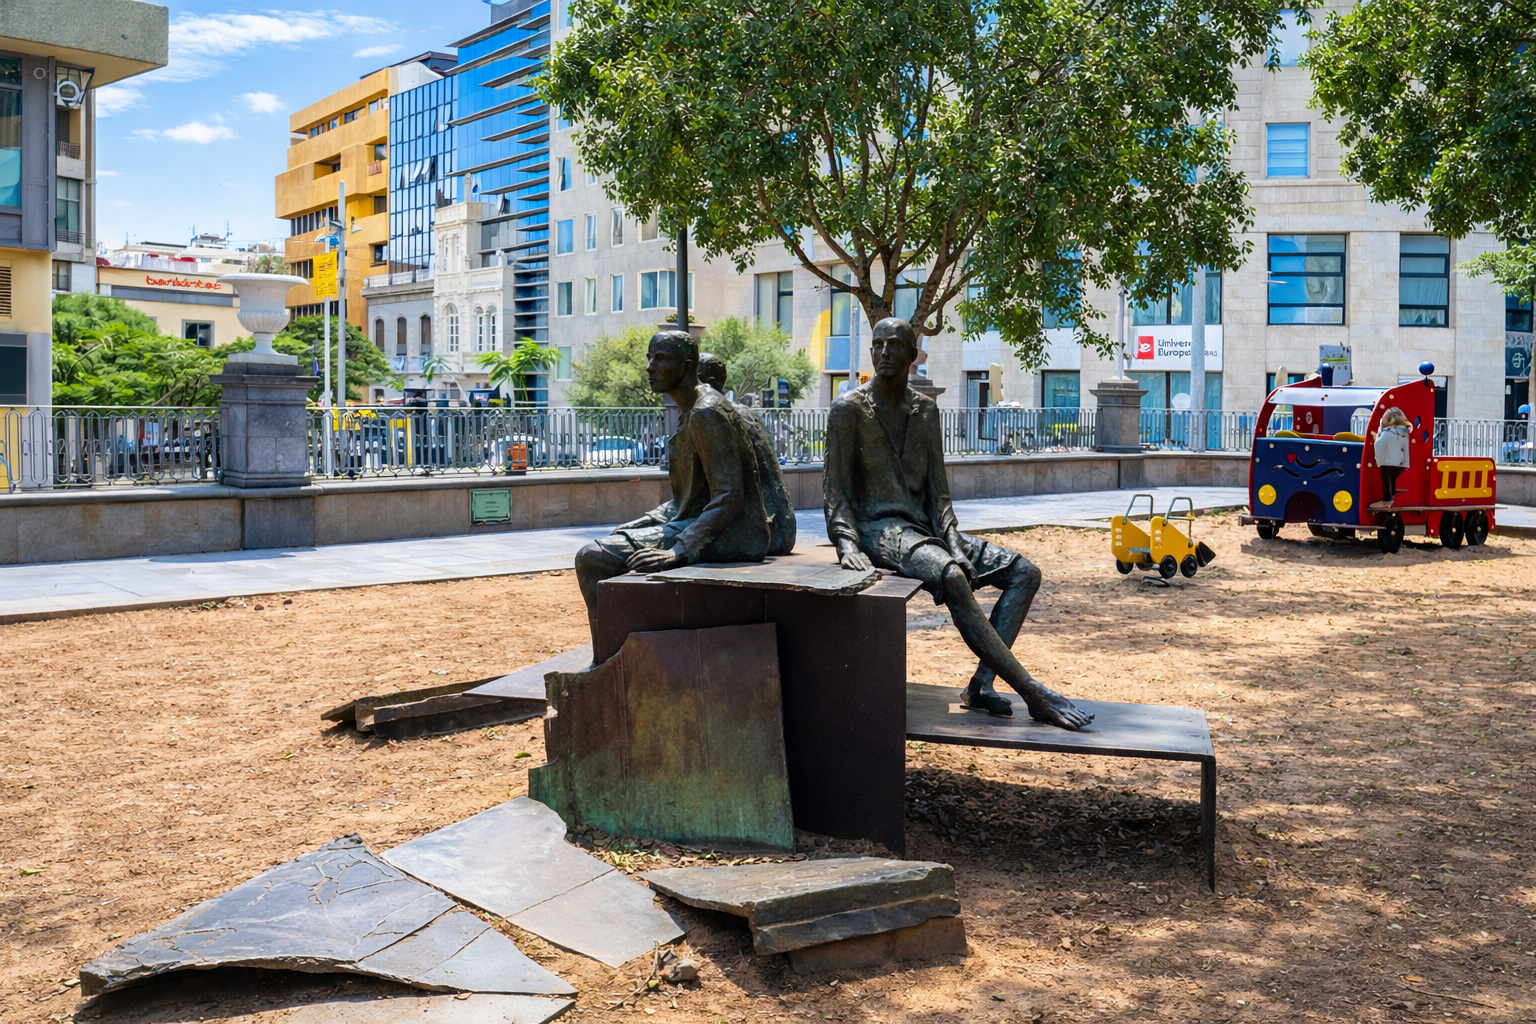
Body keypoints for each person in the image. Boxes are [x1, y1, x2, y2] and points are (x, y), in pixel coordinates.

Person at [823, 317, 1093, 730]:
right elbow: (835, 491)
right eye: (877, 345)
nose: (884, 353)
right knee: (951, 575)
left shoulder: (926, 410)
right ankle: (1032, 692)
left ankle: (981, 685)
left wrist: (952, 540)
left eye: (895, 345)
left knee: (1024, 573)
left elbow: (939, 494)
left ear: (913, 356)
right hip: (881, 530)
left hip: (927, 527)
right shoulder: (849, 409)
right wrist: (848, 544)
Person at [573, 331, 770, 650]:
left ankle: (605, 660)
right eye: (649, 357)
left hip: (735, 534)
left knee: (592, 558)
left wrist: (678, 550)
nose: (650, 367)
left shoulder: (707, 411)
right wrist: (643, 522)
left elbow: (729, 495)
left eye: (661, 358)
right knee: (613, 540)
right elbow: (689, 497)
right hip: (705, 524)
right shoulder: (691, 411)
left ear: (688, 366)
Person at [697, 352, 797, 555]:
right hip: (784, 529)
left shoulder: (716, 415)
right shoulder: (745, 411)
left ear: (710, 382)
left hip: (764, 533)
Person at [1373, 407, 1411, 504]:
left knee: (1386, 476)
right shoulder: (1405, 432)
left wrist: (1379, 460)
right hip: (1401, 463)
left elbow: (1379, 444)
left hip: (1389, 462)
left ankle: (1387, 499)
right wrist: (1406, 464)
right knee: (1394, 479)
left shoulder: (1388, 431)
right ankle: (1393, 497)